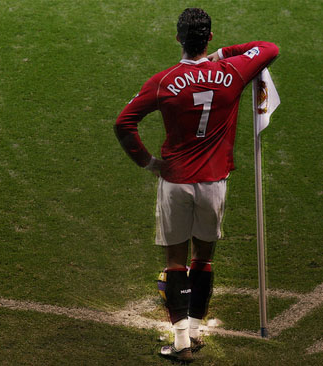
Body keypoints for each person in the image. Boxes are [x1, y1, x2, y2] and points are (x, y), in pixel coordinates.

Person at [114, 7, 279, 363]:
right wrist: (224, 54)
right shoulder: (233, 72)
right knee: (202, 257)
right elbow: (269, 48)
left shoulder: (163, 80)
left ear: (177, 38)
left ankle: (181, 342)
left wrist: (147, 161)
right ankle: (196, 327)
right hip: (214, 182)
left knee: (174, 261)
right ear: (209, 38)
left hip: (175, 182)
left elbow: (123, 123)